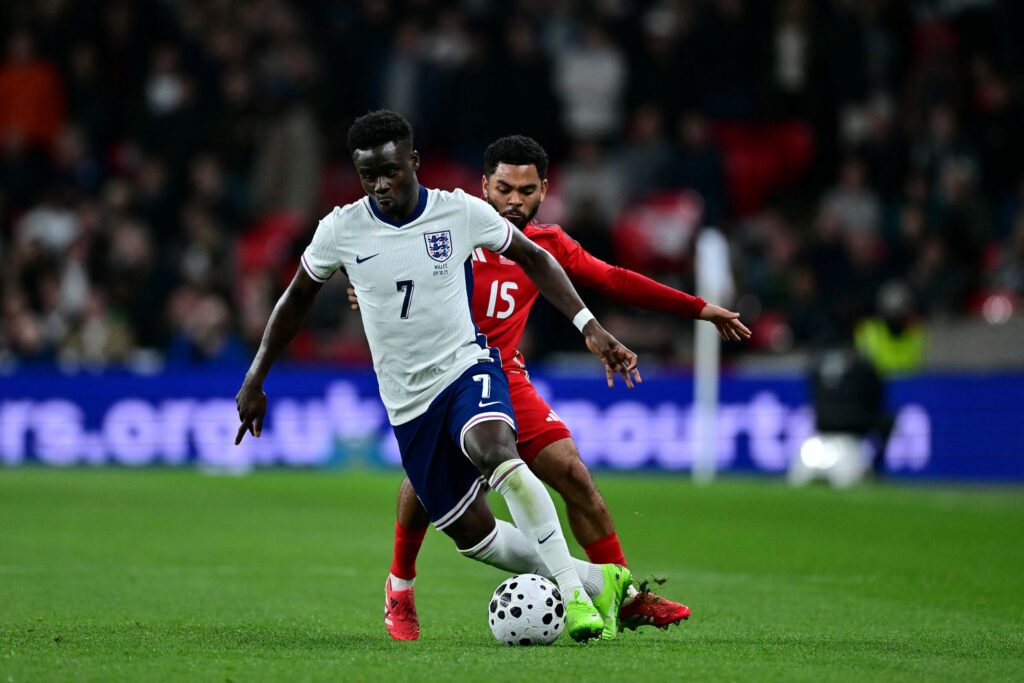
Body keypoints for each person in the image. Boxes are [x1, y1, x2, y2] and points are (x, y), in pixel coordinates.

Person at [234, 111, 642, 643]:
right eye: (368, 175)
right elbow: (295, 300)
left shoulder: (459, 212)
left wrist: (588, 326)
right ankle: (598, 581)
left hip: (467, 366)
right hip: (408, 404)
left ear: (414, 162)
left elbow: (536, 258)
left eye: (391, 171)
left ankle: (574, 599)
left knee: (496, 450)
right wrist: (255, 376)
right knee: (475, 535)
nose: (381, 184)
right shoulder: (341, 228)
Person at [350, 135, 751, 640]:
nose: (514, 200)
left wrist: (698, 308)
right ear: (484, 187)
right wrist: (366, 287)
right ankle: (400, 587)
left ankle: (625, 596)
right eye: (503, 188)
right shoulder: (448, 226)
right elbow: (382, 254)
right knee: (425, 480)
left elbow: (614, 279)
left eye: (526, 190)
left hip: (507, 376)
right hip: (441, 373)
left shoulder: (548, 245)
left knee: (575, 476)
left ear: (544, 191)